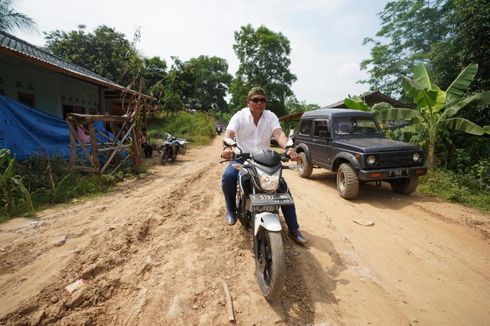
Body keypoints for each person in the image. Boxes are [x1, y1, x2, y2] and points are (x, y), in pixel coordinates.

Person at [221, 87, 306, 246]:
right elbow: (229, 134)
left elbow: (279, 134)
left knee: (282, 188)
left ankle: (294, 229)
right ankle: (231, 210)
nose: (259, 103)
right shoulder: (240, 116)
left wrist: (288, 149)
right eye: (255, 100)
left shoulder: (270, 116)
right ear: (248, 102)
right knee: (229, 177)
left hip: (264, 159)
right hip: (241, 157)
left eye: (263, 100)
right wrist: (227, 147)